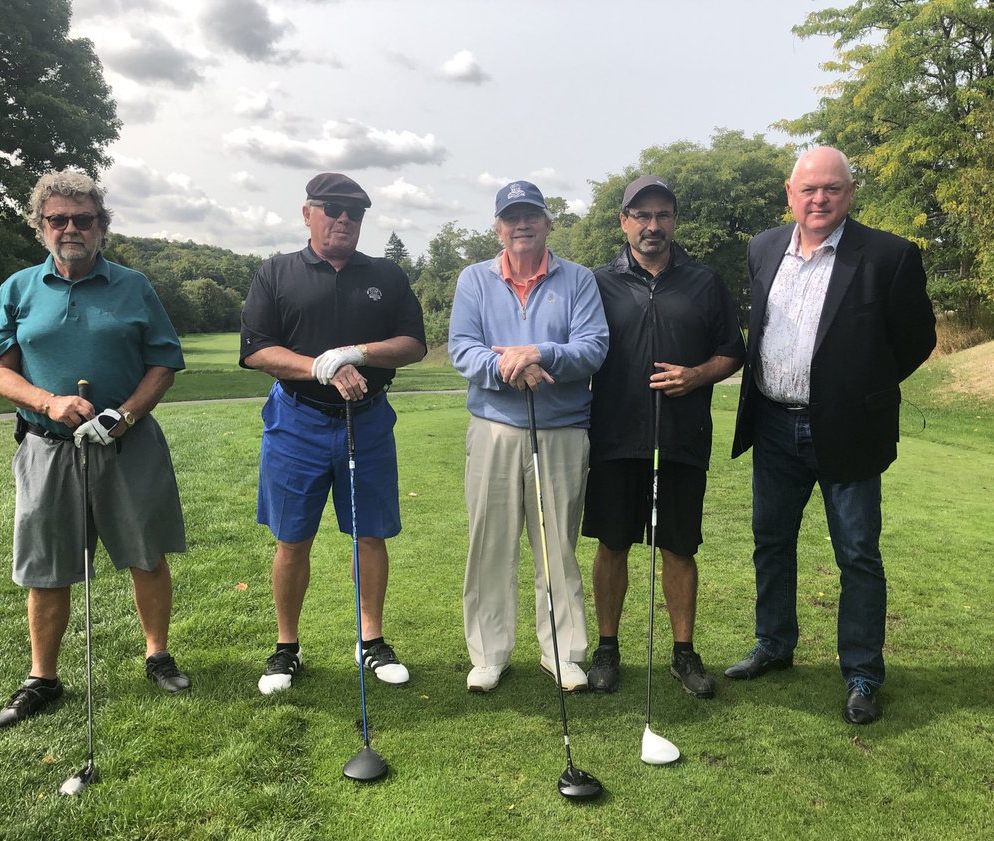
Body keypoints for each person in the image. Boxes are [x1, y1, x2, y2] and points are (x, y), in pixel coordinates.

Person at [727, 147, 937, 724]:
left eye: (832, 189)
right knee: (771, 542)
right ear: (790, 194)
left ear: (850, 192)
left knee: (857, 554)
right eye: (809, 189)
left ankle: (863, 671)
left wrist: (860, 387)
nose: (819, 199)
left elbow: (916, 339)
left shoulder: (889, 256)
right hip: (773, 423)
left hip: (849, 429)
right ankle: (774, 644)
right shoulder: (764, 247)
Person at [0, 170, 190, 731]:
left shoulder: (134, 285)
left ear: (102, 227)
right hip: (48, 447)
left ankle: (157, 655)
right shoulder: (18, 289)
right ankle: (42, 678)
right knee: (46, 566)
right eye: (58, 219)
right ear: (40, 226)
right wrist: (48, 402)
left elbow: (164, 362)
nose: (71, 228)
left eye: (84, 219)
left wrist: (125, 414)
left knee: (145, 553)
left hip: (127, 443)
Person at [240, 173, 426, 694]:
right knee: (292, 537)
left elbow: (412, 343)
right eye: (332, 209)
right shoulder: (276, 272)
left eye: (355, 212)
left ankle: (370, 641)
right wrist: (320, 365)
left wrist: (358, 353)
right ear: (308, 213)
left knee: (370, 535)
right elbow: (256, 349)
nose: (344, 219)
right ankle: (286, 647)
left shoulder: (386, 274)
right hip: (296, 419)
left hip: (366, 420)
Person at [583, 175, 745, 697]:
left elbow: (732, 351)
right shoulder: (596, 282)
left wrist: (696, 375)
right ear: (624, 221)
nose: (652, 226)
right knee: (613, 544)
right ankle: (607, 647)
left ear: (674, 221)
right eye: (641, 215)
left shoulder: (704, 281)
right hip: (615, 436)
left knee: (678, 547)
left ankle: (682, 652)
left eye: (663, 215)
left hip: (681, 437)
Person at [449, 180, 609, 693]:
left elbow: (592, 346)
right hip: (494, 429)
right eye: (512, 217)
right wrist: (509, 367)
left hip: (561, 430)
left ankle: (562, 653)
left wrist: (538, 353)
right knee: (490, 544)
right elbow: (463, 349)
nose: (522, 225)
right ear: (498, 227)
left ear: (547, 222)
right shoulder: (474, 279)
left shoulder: (579, 280)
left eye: (532, 215)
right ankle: (489, 653)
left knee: (556, 546)